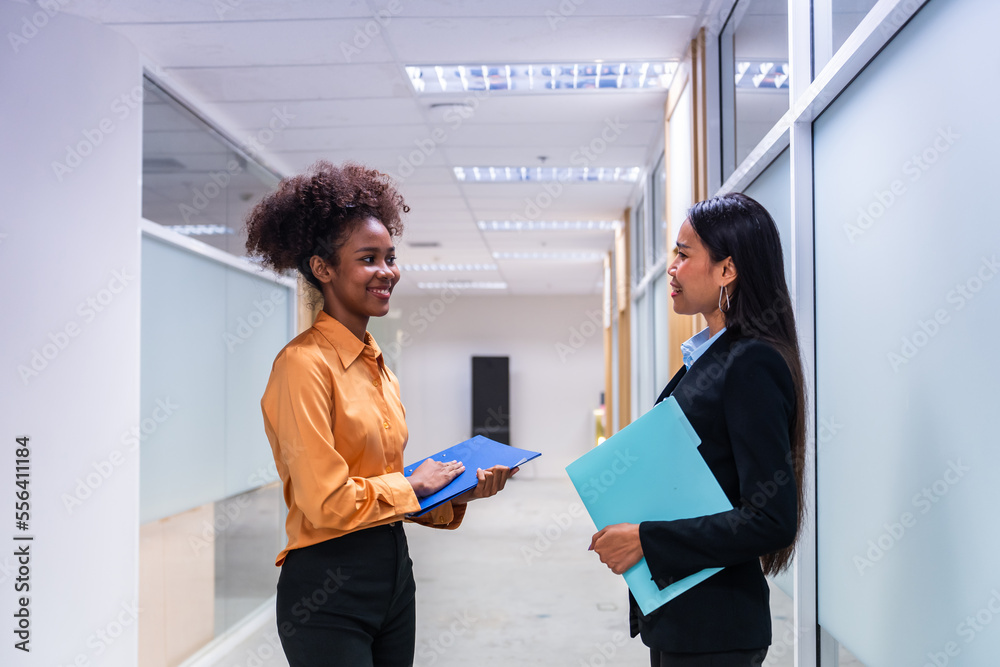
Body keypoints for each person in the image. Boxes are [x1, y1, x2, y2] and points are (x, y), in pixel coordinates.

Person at [245, 161, 516, 667]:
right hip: (326, 591)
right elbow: (324, 502)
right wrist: (415, 484)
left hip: (392, 578)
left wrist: (457, 490)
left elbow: (379, 492)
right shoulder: (302, 366)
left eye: (390, 257)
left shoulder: (377, 366)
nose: (387, 271)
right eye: (368, 259)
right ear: (322, 268)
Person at [589, 192, 805, 667]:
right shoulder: (709, 357)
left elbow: (772, 519)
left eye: (684, 255)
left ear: (727, 270)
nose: (672, 268)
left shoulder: (751, 363)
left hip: (717, 626)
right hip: (683, 615)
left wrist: (646, 539)